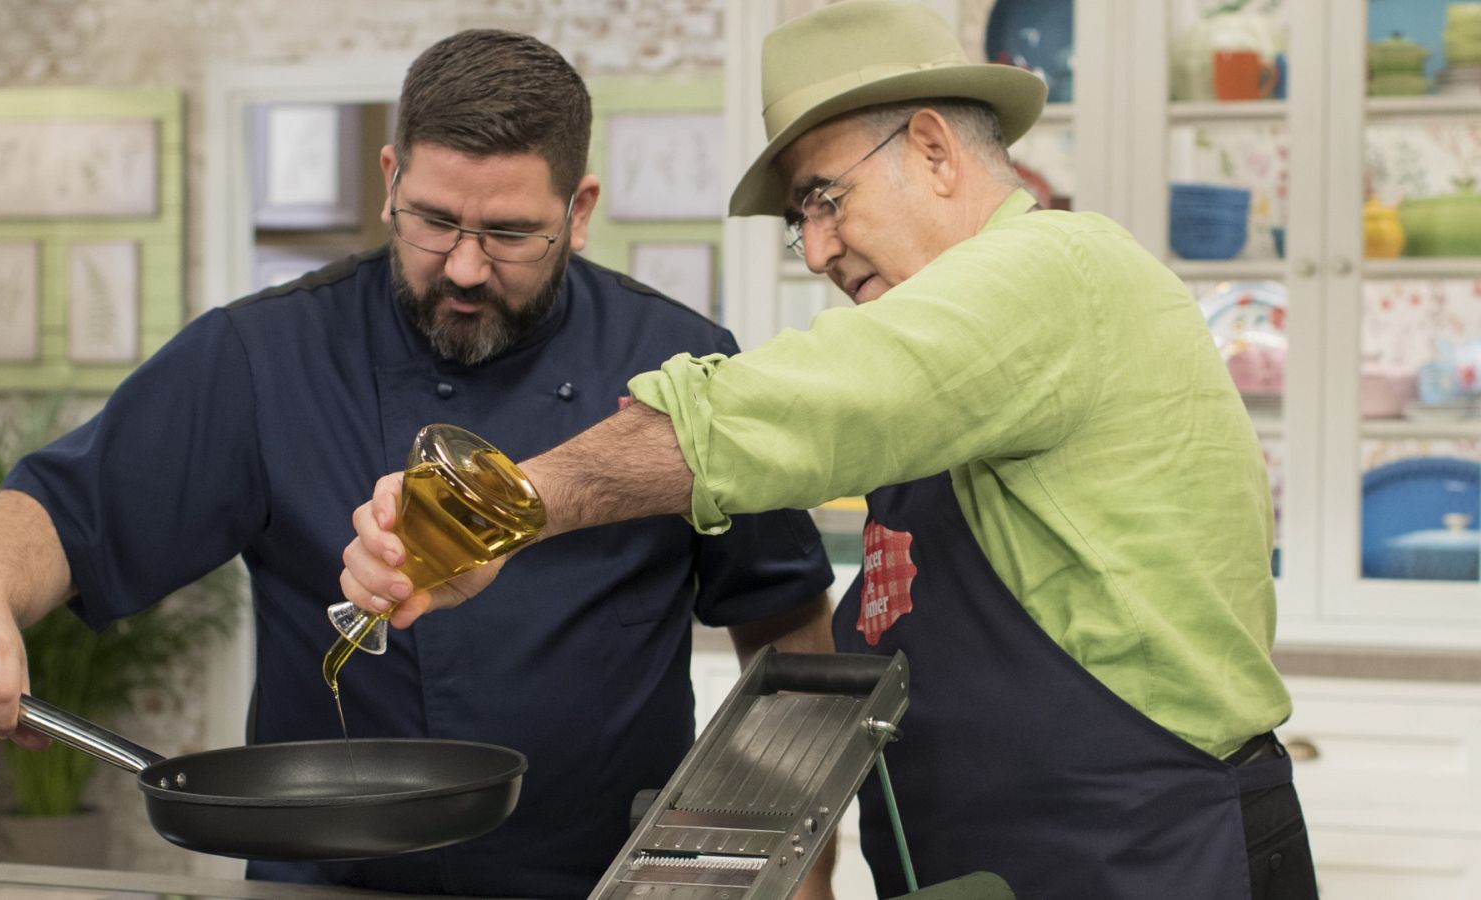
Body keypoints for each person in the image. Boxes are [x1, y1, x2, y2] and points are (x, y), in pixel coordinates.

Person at [340, 3, 1319, 898]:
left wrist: (501, 507)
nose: (813, 249)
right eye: (797, 221)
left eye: (821, 198)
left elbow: (774, 414)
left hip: (1150, 861)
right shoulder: (956, 388)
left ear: (932, 149)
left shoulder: (1054, 272)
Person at [0, 29, 838, 899]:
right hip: (324, 883)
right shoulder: (263, 358)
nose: (465, 267)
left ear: (579, 210)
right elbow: (55, 513)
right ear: (389, 180)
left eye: (509, 234)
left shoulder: (680, 366)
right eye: (432, 221)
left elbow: (786, 623)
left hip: (599, 880)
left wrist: (800, 872)